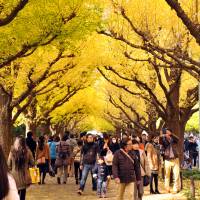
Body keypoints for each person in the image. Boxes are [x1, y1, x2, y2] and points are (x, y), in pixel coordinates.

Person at [8, 136, 34, 200]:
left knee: (15, 194)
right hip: (24, 176)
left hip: (14, 177)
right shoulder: (28, 151)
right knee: (22, 194)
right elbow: (32, 163)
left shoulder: (12, 151)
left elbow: (8, 164)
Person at [160, 128, 180, 194]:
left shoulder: (173, 139)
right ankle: (167, 188)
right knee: (167, 175)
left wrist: (171, 135)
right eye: (166, 132)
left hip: (175, 159)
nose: (167, 133)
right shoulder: (163, 139)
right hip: (167, 159)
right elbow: (160, 142)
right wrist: (162, 136)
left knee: (176, 175)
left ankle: (175, 189)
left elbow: (178, 139)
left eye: (168, 132)